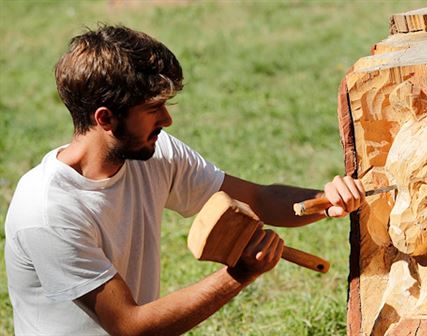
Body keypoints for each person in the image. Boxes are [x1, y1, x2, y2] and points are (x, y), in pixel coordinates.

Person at [4, 25, 365, 335]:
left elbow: (257, 198)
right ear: (106, 118)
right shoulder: (48, 211)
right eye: (152, 109)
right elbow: (131, 327)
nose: (167, 119)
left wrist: (328, 199)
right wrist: (237, 276)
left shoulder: (155, 152)